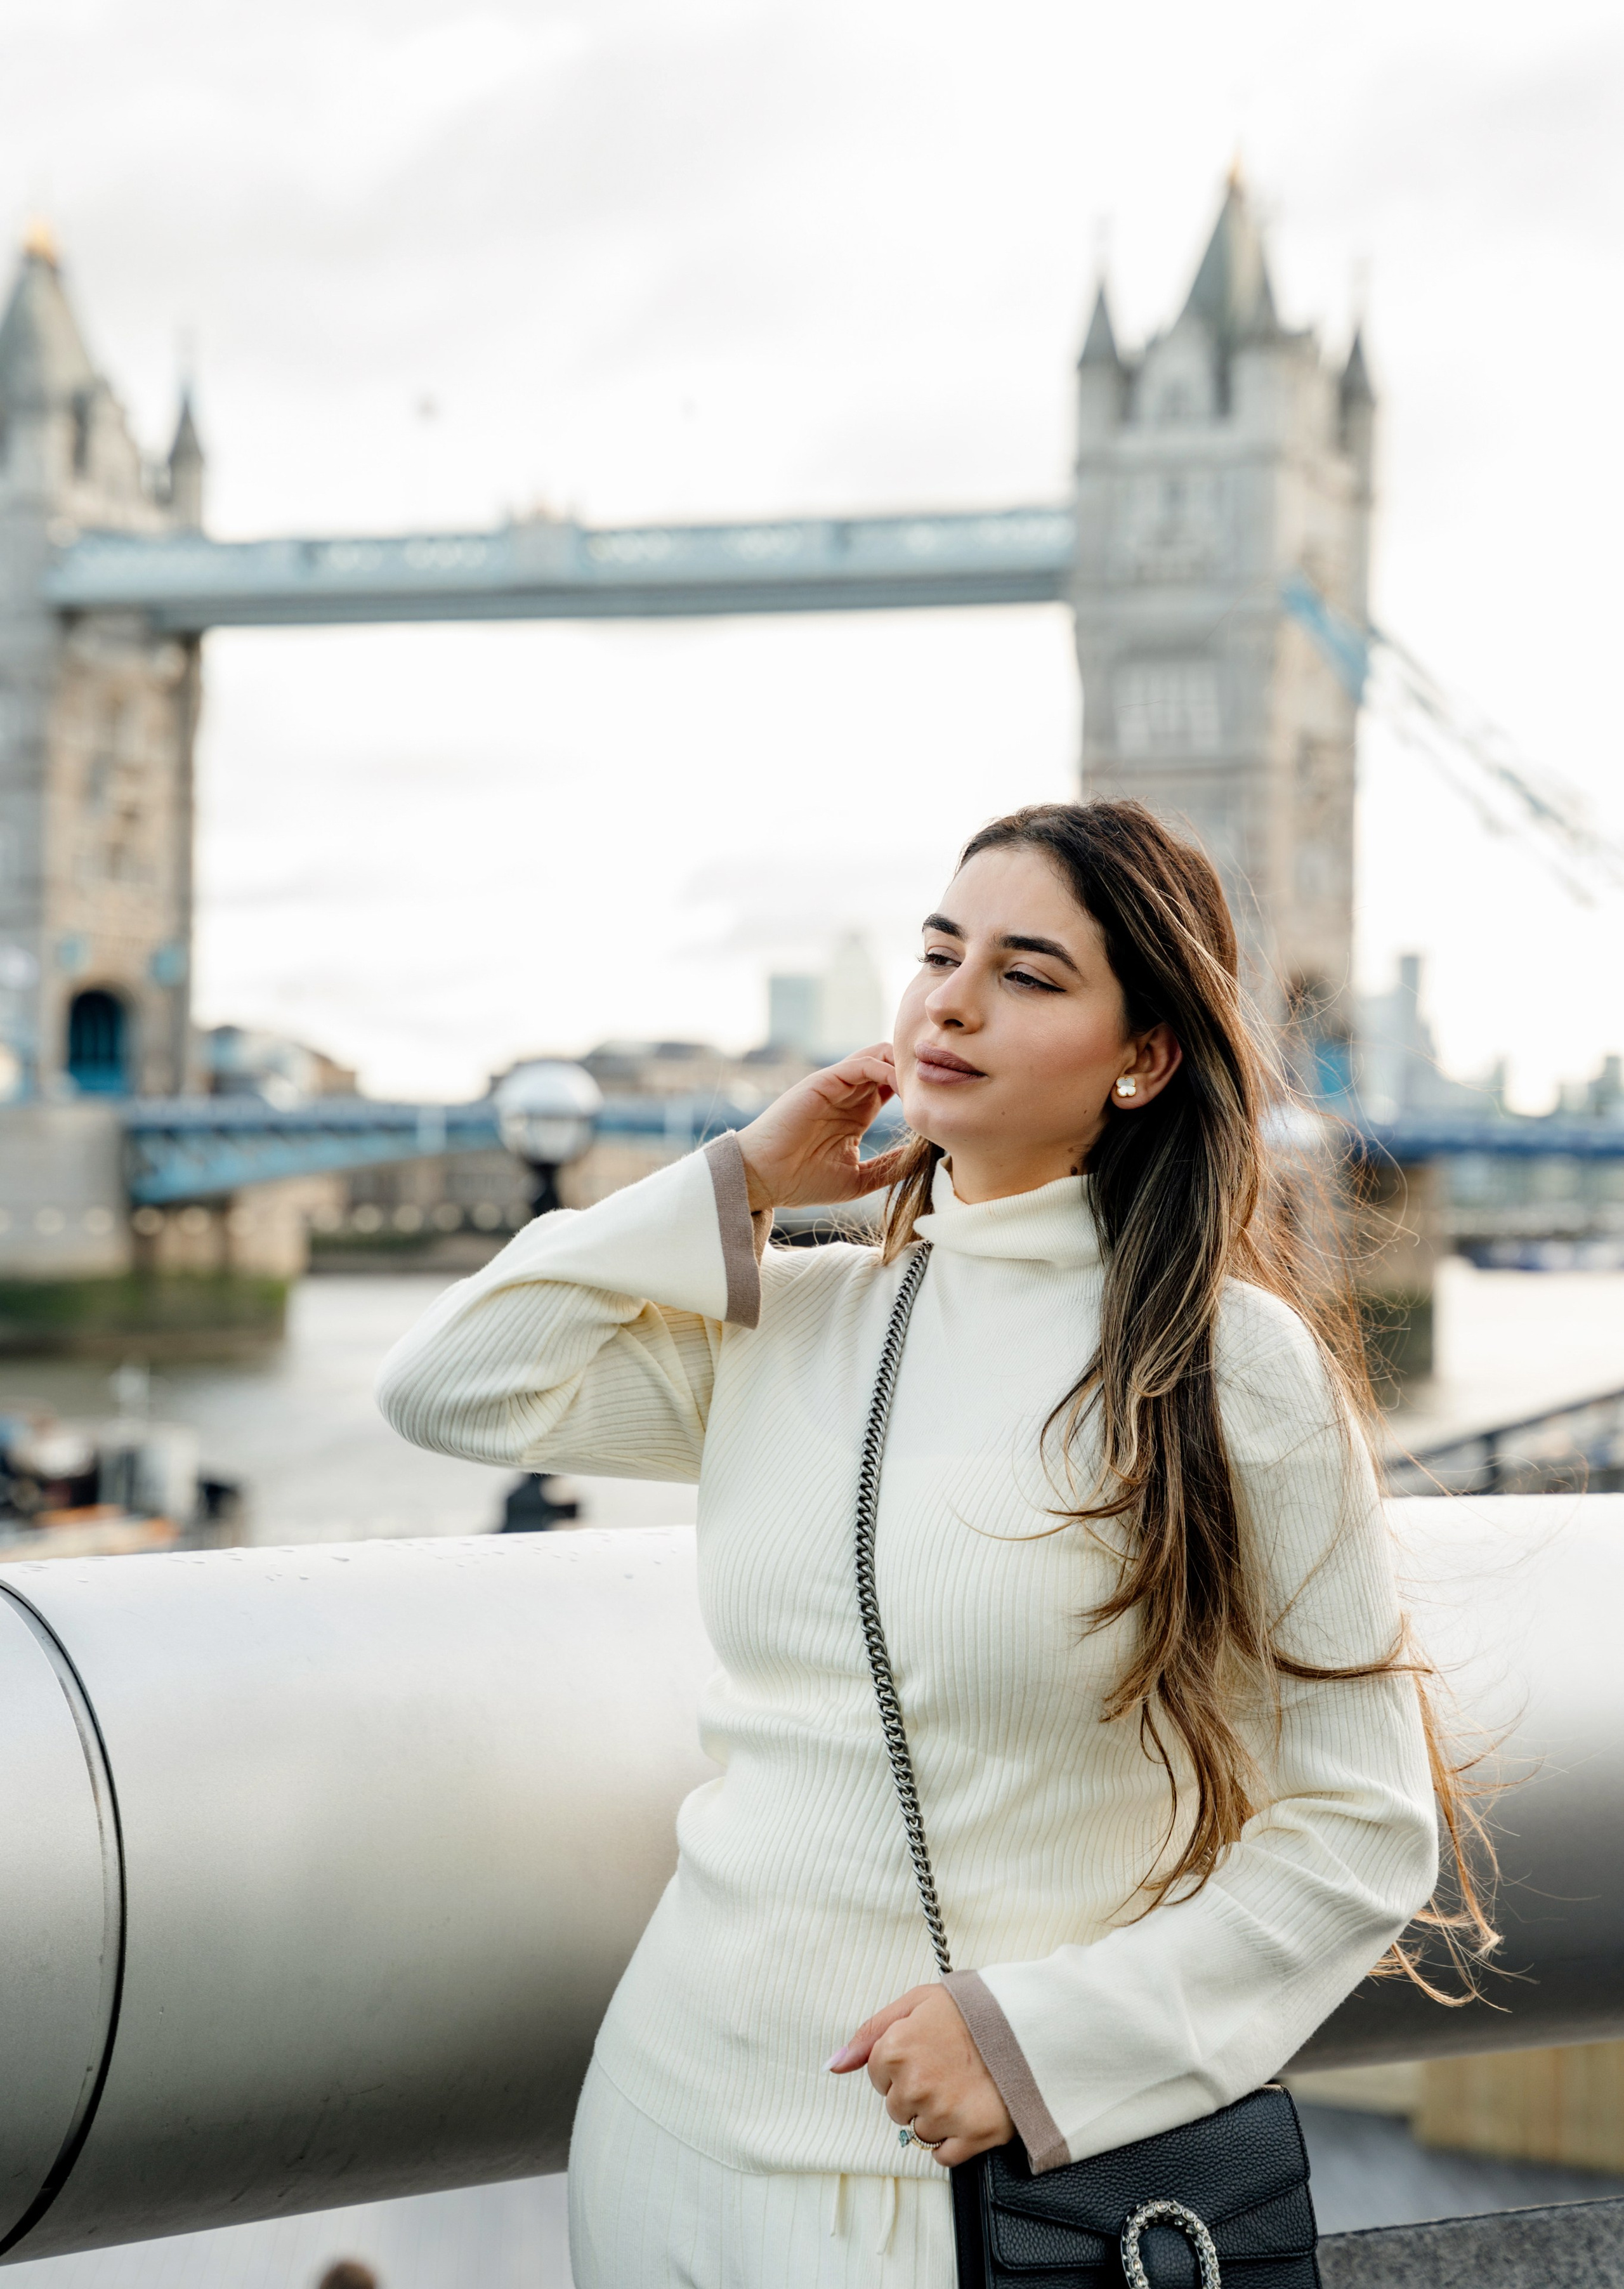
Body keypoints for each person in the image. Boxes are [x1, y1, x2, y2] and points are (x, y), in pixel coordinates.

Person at [378, 798, 1470, 2289]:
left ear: (1143, 1055)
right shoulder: (804, 1317)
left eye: (1027, 973)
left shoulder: (1225, 1367)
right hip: (658, 2128)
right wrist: (739, 1181)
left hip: (953, 2180)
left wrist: (1042, 2048)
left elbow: (1360, 1825)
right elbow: (450, 1381)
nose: (949, 1000)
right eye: (938, 952)